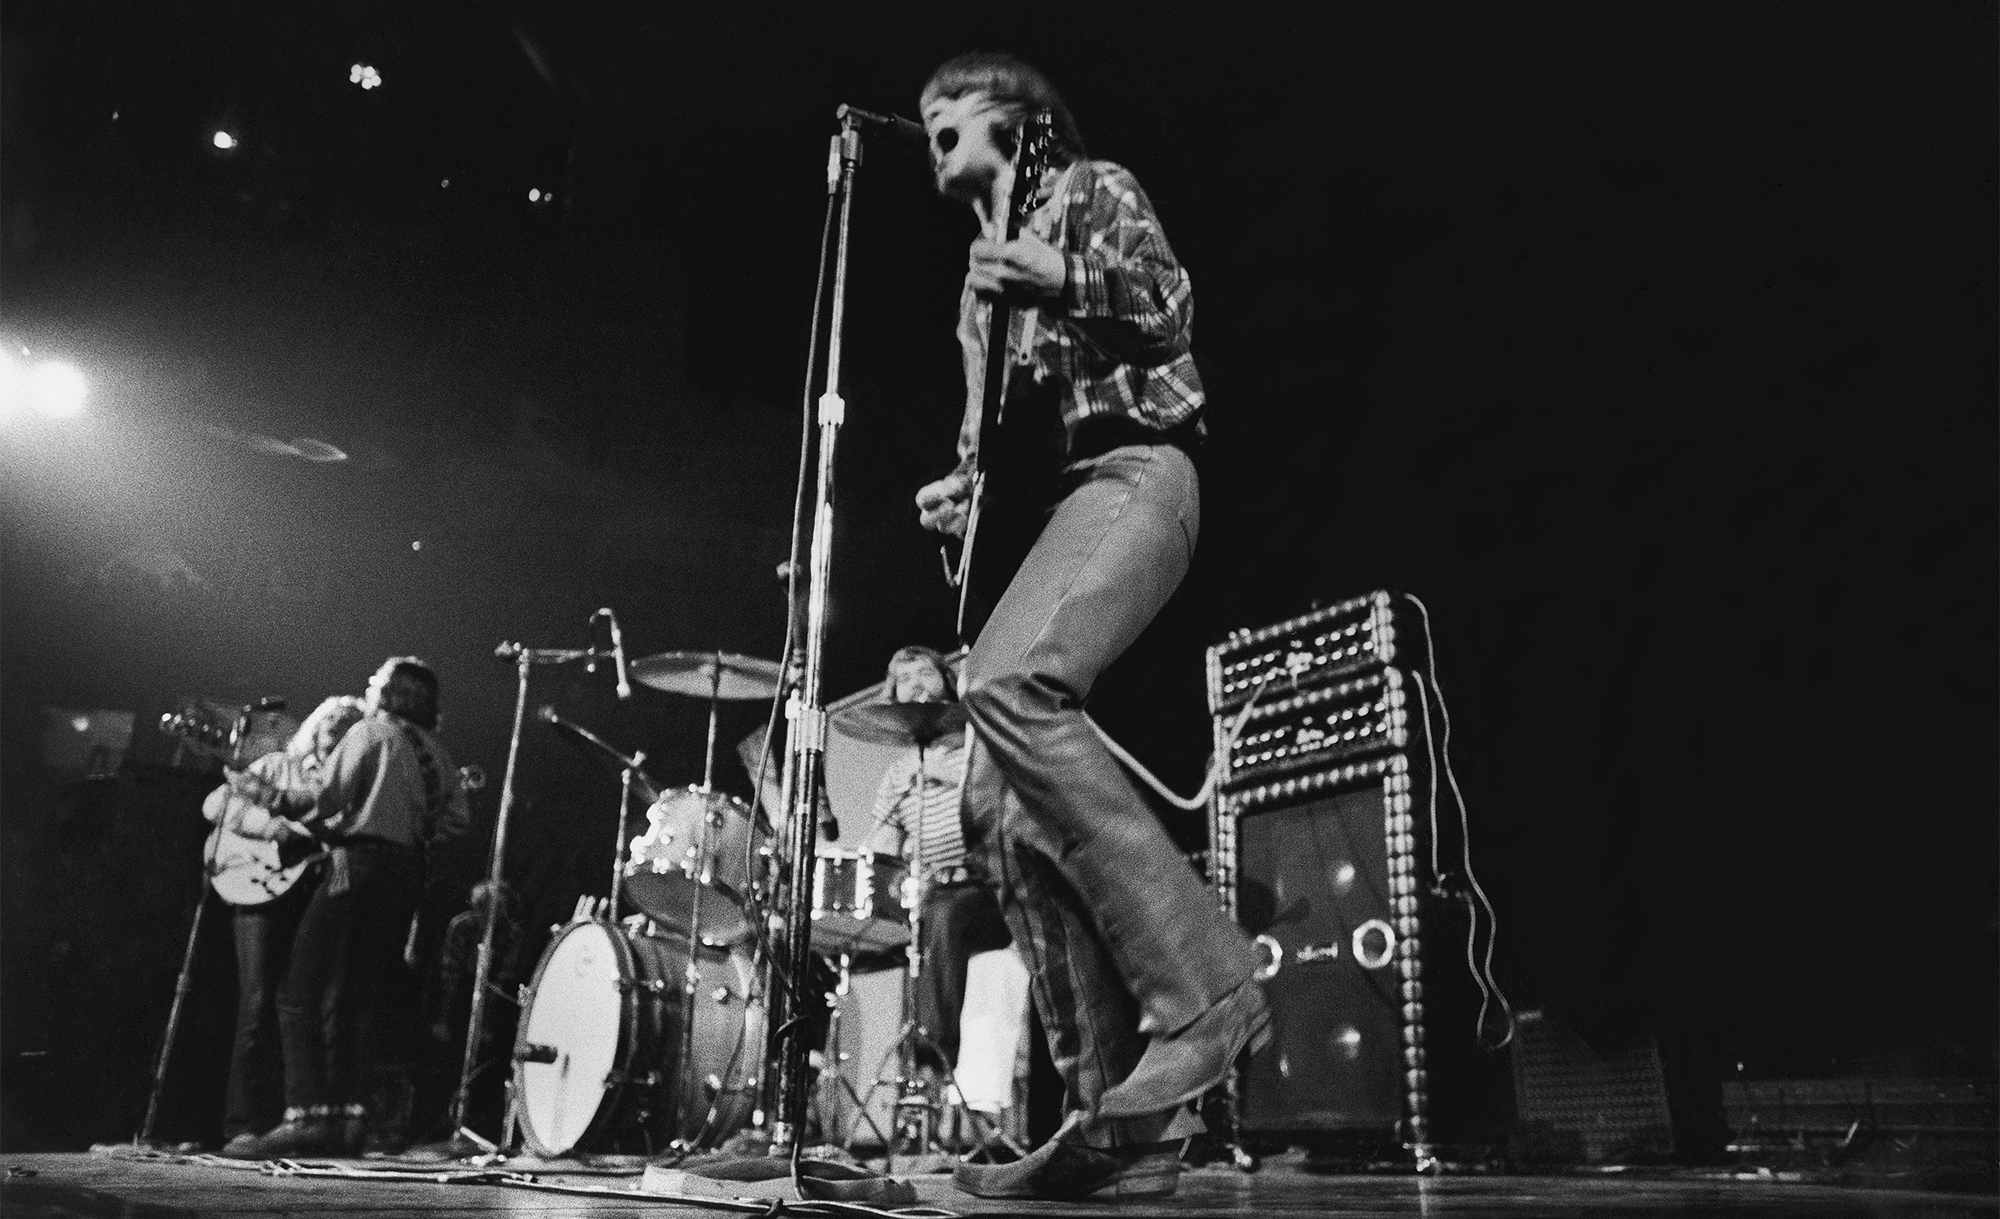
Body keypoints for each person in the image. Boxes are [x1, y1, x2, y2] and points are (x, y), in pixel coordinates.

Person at [912, 53, 1267, 1200]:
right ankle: (1114, 1118)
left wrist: (1060, 272)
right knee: (995, 810)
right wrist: (958, 500)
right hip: (1063, 504)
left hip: (1145, 474)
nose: (930, 128)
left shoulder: (1093, 188)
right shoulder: (973, 294)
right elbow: (998, 450)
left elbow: (1171, 309)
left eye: (950, 114)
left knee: (1006, 688)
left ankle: (1207, 991)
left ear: (1015, 123)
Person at [222, 657, 472, 1158]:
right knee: (356, 997)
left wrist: (260, 792)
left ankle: (307, 1116)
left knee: (300, 991)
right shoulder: (438, 755)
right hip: (405, 876)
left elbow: (322, 798)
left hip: (356, 865)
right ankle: (348, 1118)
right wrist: (409, 829)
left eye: (376, 683)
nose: (368, 690)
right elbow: (457, 820)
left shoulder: (371, 732)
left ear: (396, 695)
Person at [205, 695, 367, 1157]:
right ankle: (242, 1124)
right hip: (257, 886)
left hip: (307, 898)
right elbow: (216, 805)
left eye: (350, 726)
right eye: (332, 720)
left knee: (295, 1007)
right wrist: (274, 831)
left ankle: (289, 1120)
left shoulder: (346, 785)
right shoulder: (279, 766)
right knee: (255, 1003)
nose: (338, 728)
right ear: (316, 726)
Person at [857, 646, 1012, 1081]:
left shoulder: (977, 747)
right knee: (840, 939)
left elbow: (1004, 820)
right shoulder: (898, 773)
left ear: (946, 682)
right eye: (905, 679)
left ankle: (930, 1069)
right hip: (926, 899)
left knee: (942, 916)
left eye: (926, 673)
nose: (917, 684)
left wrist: (949, 776)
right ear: (894, 695)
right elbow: (883, 851)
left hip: (988, 894)